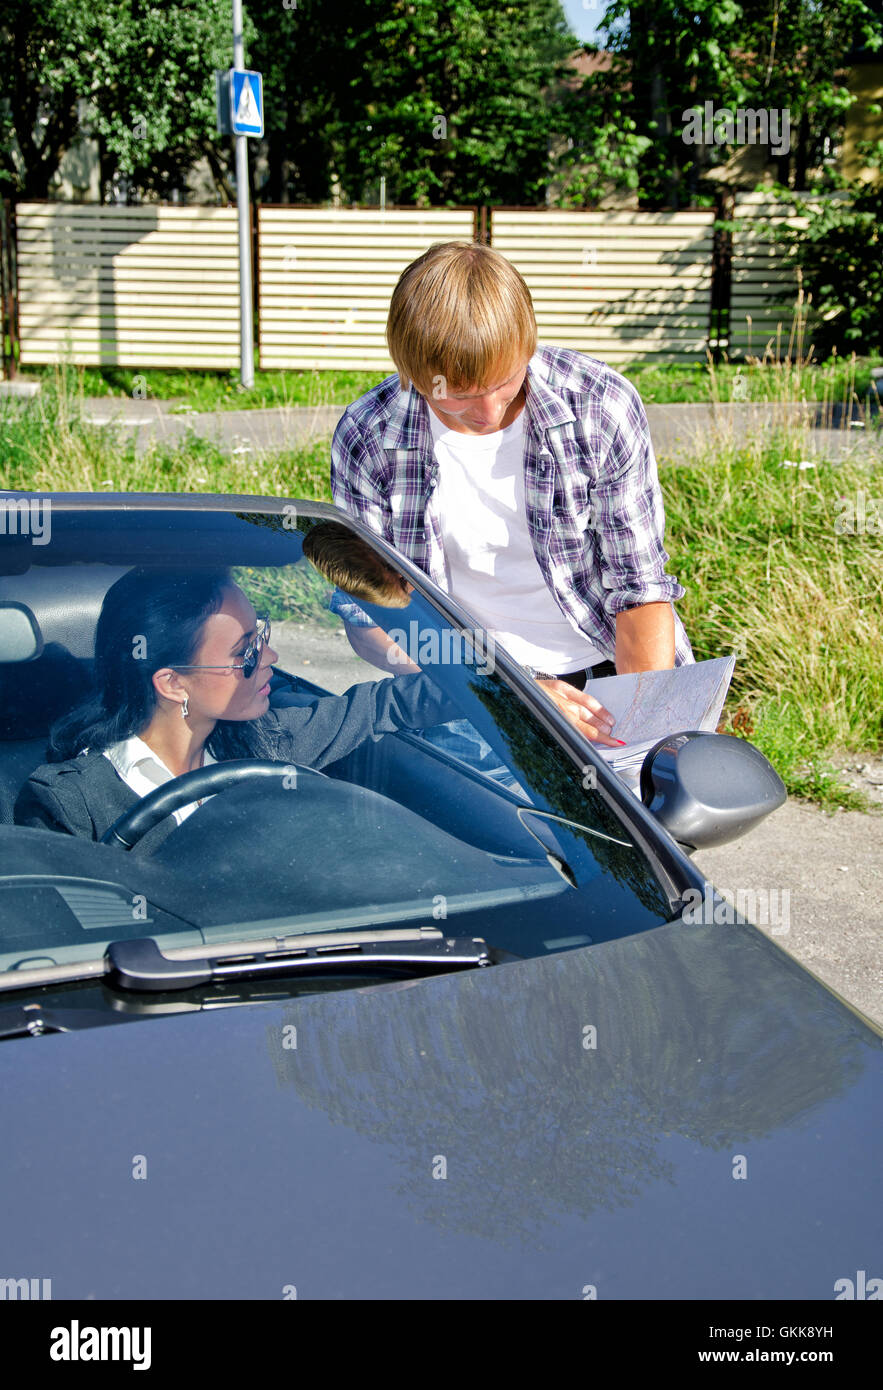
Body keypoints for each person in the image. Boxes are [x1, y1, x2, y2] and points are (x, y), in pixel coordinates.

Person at [330, 240, 694, 748]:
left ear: (529, 345)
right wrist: (506, 691)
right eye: (458, 393)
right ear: (410, 372)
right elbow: (374, 623)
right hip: (463, 695)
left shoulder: (600, 406)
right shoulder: (368, 436)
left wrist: (638, 726)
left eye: (504, 382)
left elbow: (640, 593)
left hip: (611, 677)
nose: (488, 414)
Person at [14, 566, 457, 845]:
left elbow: (387, 706)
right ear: (172, 683)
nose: (270, 658)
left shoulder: (268, 741)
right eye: (245, 651)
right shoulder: (69, 803)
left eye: (260, 635)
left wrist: (500, 682)